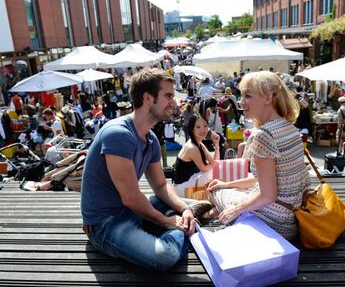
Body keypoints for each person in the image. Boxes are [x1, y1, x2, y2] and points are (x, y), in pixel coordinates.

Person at [81, 68, 202, 272]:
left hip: (130, 211)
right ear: (148, 98)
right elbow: (130, 197)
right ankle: (184, 230)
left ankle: (185, 220)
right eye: (168, 96)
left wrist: (185, 210)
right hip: (105, 224)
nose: (174, 102)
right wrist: (168, 222)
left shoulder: (150, 139)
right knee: (165, 256)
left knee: (192, 204)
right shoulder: (118, 134)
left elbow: (162, 186)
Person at [206, 71, 310, 240]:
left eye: (247, 96)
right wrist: (227, 184)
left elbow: (268, 196)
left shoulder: (263, 135)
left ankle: (216, 214)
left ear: (268, 98)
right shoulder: (289, 127)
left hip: (274, 222)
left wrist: (236, 209)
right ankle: (215, 213)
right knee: (223, 189)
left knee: (213, 192)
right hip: (294, 218)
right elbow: (267, 180)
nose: (241, 102)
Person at [173, 114, 220, 197]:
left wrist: (216, 145)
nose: (203, 130)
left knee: (215, 171)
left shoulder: (199, 143)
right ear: (192, 130)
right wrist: (213, 165)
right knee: (213, 173)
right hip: (182, 188)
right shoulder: (192, 147)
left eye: (205, 126)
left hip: (189, 183)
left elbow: (215, 162)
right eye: (198, 127)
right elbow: (205, 168)